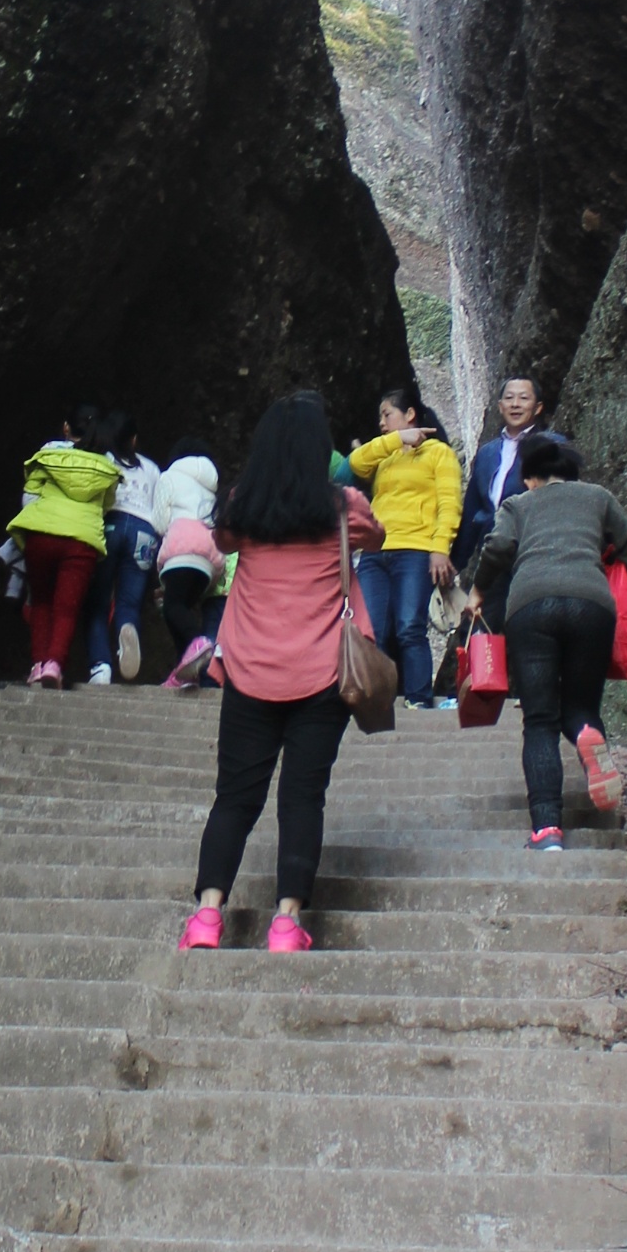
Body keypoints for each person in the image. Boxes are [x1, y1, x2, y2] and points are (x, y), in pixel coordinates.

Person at [180, 389, 381, 952]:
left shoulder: (244, 508)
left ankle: (207, 917)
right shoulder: (344, 507)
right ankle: (287, 922)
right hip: (323, 674)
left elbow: (221, 539)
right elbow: (376, 535)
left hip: (248, 670)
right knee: (301, 796)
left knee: (235, 797)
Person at [471, 428, 627, 848]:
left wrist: (479, 591)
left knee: (539, 720)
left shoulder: (518, 503)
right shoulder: (597, 497)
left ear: (530, 478)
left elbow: (498, 548)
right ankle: (589, 732)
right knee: (579, 705)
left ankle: (547, 828)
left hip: (530, 607)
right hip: (591, 604)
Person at [346, 384, 462, 707]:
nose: (381, 423)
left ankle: (418, 699)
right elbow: (355, 463)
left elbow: (449, 503)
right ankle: (376, 701)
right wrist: (396, 439)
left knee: (410, 626)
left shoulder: (439, 453)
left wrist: (440, 547)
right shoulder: (384, 456)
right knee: (372, 631)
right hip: (374, 552)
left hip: (416, 549)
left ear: (410, 414)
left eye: (387, 415)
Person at [8, 412, 121, 687]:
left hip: (42, 534)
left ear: (67, 428)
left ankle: (37, 665)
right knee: (66, 608)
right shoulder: (106, 467)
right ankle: (55, 665)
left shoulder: (48, 455)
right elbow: (106, 506)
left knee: (42, 601)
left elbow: (30, 494)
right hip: (81, 540)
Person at [89, 419, 164, 685]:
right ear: (133, 439)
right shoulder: (152, 468)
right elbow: (160, 512)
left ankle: (101, 666)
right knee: (129, 603)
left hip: (112, 525)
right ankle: (126, 629)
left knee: (98, 603)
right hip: (144, 533)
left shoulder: (104, 461)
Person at [454, 370, 549, 574]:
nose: (515, 404)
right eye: (509, 398)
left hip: (531, 549)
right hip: (490, 551)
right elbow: (472, 507)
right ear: (500, 406)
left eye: (524, 398)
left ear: (538, 407)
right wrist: (456, 562)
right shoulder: (487, 452)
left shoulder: (550, 446)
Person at [152, 441, 227, 687]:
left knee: (173, 607)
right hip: (210, 555)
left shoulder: (169, 477)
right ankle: (184, 672)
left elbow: (160, 522)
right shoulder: (209, 486)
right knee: (181, 608)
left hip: (181, 547)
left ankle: (199, 641)